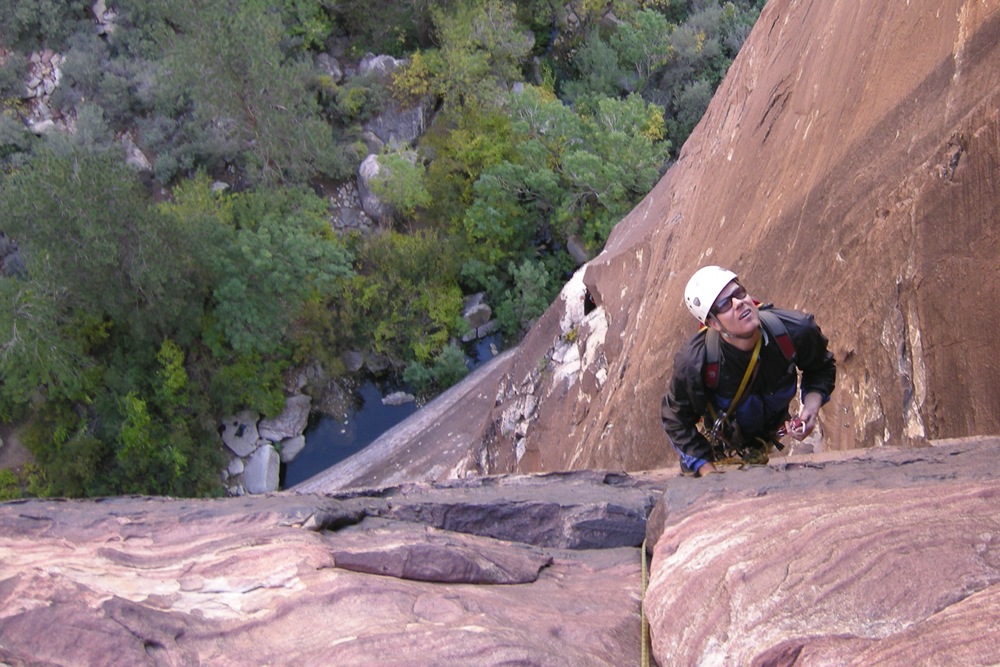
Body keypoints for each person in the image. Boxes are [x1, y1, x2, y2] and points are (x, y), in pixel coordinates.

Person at [661, 266, 836, 477]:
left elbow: (821, 367)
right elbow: (675, 419)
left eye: (739, 293)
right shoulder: (697, 362)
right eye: (725, 304)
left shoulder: (795, 331)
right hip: (723, 444)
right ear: (712, 323)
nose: (739, 303)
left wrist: (811, 407)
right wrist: (709, 474)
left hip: (769, 432)